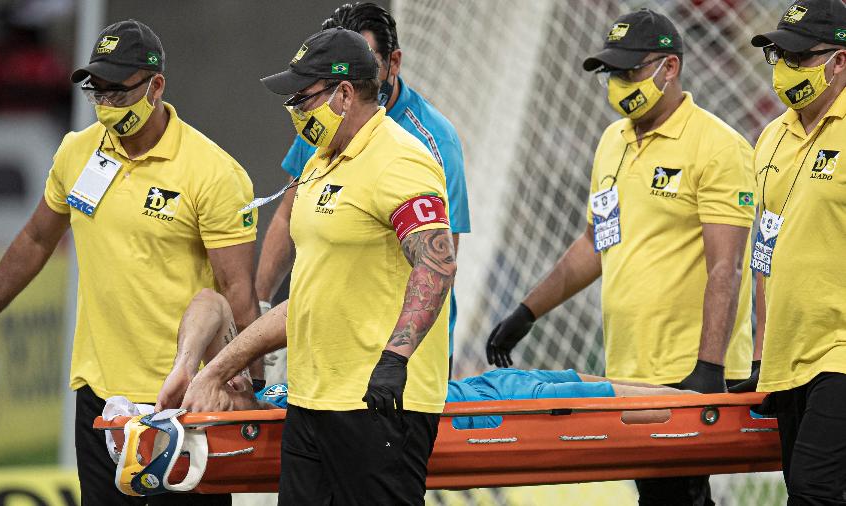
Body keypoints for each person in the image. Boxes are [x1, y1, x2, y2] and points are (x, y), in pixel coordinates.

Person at [0, 20, 262, 506]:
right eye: (96, 89)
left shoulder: (214, 173)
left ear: (155, 86)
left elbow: (237, 290)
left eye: (118, 92)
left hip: (180, 400)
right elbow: (37, 238)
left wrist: (254, 388)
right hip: (99, 399)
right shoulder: (77, 152)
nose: (105, 103)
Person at [485, 9, 756, 506]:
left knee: (676, 498)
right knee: (664, 499)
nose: (617, 83)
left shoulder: (718, 147)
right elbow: (596, 244)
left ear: (669, 68)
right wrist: (527, 312)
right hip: (630, 365)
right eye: (612, 72)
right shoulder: (613, 140)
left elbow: (727, 266)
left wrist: (708, 368)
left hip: (686, 370)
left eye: (631, 70)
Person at [179, 27, 455, 505]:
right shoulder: (319, 165)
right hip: (311, 403)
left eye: (302, 98)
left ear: (344, 94)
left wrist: (395, 360)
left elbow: (437, 265)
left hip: (378, 405)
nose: (294, 110)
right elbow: (306, 300)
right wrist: (215, 372)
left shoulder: (399, 160)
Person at [255, 2, 470, 377]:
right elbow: (289, 214)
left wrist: (396, 354)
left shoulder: (433, 140)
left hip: (401, 358)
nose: (358, 73)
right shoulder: (322, 120)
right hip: (327, 347)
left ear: (394, 62)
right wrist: (257, 306)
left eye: (366, 60)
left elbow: (439, 255)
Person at [158, 289, 682, 431]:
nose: (218, 399)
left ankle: (714, 403)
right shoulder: (268, 420)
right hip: (487, 410)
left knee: (576, 383)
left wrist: (195, 368)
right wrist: (210, 387)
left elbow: (210, 302)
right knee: (646, 407)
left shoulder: (254, 390)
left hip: (476, 389)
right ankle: (719, 409)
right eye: (216, 402)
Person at [736, 1, 846, 503]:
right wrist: (763, 353)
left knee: (813, 488)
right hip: (788, 354)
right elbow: (766, 245)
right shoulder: (770, 139)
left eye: (799, 57)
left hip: (840, 349)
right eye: (778, 53)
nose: (784, 68)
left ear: (839, 61)